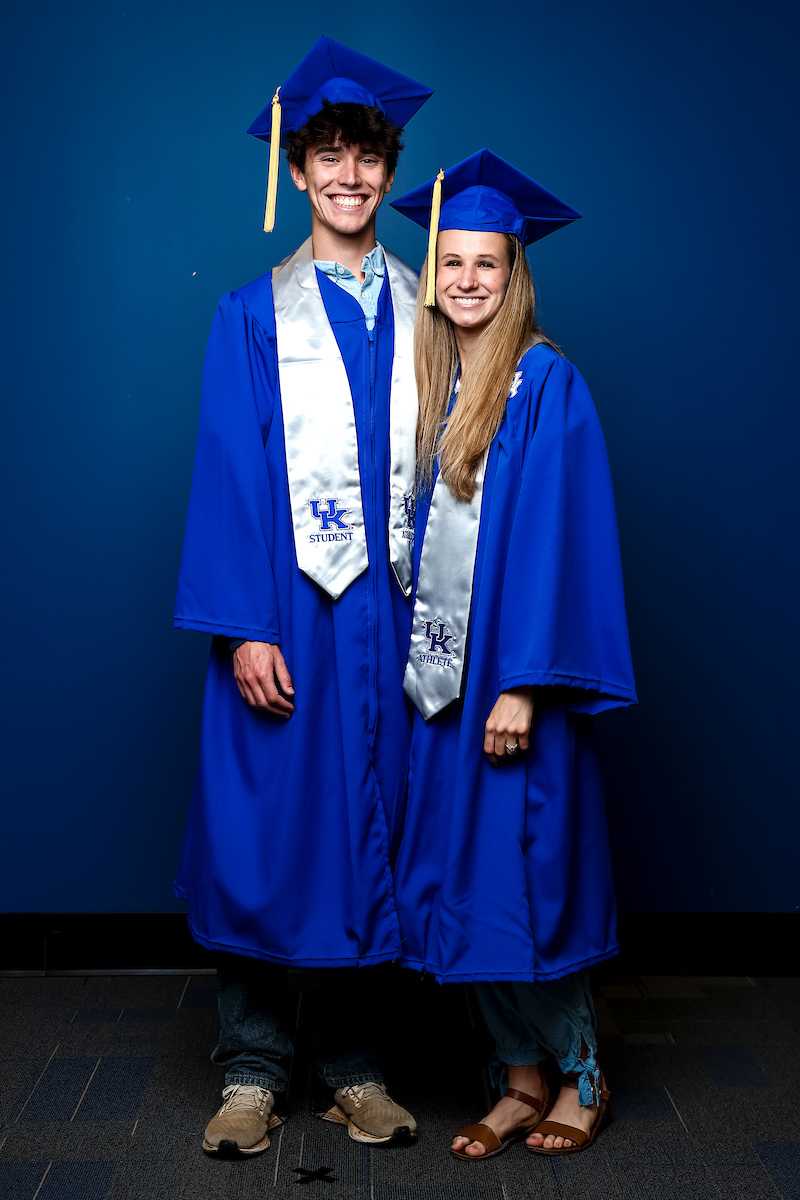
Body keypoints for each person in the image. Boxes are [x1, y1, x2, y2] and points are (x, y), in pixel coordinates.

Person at [173, 37, 432, 1157]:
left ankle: (355, 1067)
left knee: (372, 822)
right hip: (289, 606)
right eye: (326, 155)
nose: (347, 175)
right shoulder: (249, 313)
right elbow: (229, 466)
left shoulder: (433, 308)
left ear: (387, 174)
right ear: (297, 172)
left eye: (366, 158)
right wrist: (241, 626)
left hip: (396, 620)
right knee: (268, 828)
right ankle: (250, 1070)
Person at [389, 150, 637, 1159]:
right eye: (449, 262)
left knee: (531, 879)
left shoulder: (548, 384)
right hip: (441, 688)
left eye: (485, 264)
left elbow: (560, 545)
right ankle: (517, 1081)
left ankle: (580, 1073)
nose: (464, 280)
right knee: (467, 881)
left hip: (506, 688)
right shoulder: (442, 385)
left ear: (514, 273)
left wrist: (525, 686)